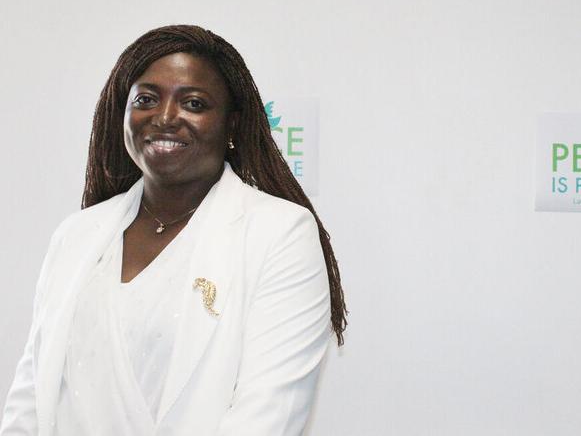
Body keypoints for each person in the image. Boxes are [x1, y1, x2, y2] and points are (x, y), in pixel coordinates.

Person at [0, 24, 347, 435]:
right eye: (146, 99)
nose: (165, 118)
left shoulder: (280, 234)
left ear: (232, 125)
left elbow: (268, 415)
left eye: (194, 103)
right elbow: (30, 398)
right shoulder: (75, 235)